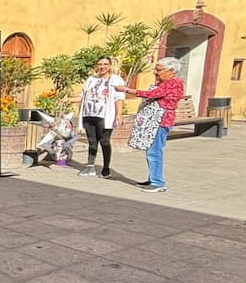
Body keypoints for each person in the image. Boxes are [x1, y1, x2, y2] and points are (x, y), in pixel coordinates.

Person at [123, 56, 184, 193]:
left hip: (161, 121)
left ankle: (158, 182)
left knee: (154, 151)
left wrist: (127, 90)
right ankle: (153, 178)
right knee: (151, 150)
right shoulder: (163, 82)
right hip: (153, 122)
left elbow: (151, 94)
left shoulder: (173, 83)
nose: (155, 72)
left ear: (171, 70)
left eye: (159, 70)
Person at [77, 55, 126, 178]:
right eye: (100, 64)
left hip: (104, 115)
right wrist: (68, 100)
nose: (102, 67)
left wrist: (119, 114)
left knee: (104, 141)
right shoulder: (91, 80)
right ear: (96, 66)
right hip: (89, 114)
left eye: (105, 64)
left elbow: (119, 98)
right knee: (92, 142)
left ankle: (106, 168)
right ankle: (90, 166)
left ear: (109, 66)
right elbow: (83, 96)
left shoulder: (116, 80)